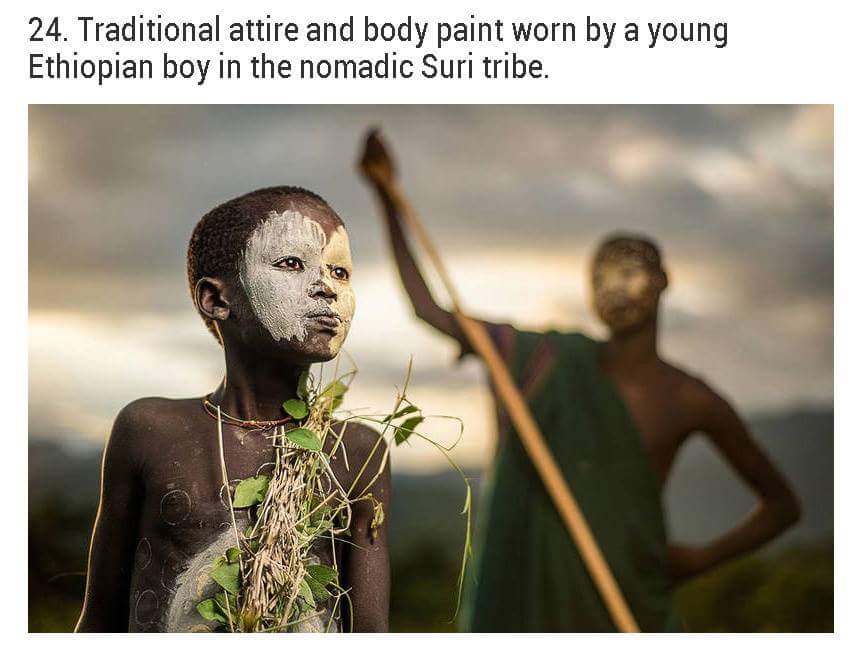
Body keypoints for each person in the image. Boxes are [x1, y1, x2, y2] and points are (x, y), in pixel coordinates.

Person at [358, 130, 800, 632]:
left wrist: (700, 560)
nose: (618, 288)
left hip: (629, 600)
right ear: (590, 296)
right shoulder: (543, 361)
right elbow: (429, 309)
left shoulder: (690, 400)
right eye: (603, 278)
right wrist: (387, 196)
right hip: (528, 595)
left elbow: (783, 506)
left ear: (663, 282)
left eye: (632, 272)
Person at [76, 186, 390, 632]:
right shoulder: (150, 430)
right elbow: (99, 620)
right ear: (216, 299)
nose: (326, 288)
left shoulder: (357, 452)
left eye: (340, 271)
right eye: (291, 263)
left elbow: (371, 633)